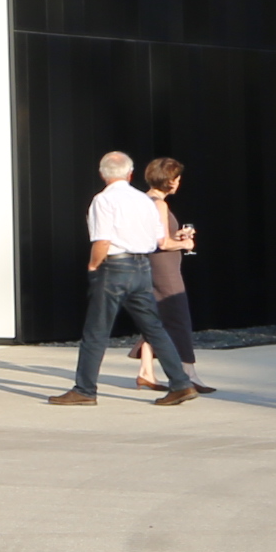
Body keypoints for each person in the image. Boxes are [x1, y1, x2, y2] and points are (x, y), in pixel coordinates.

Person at [54, 151, 199, 408]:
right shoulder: (144, 201)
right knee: (154, 328)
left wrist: (93, 265)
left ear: (102, 174)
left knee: (96, 331)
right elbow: (158, 239)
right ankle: (180, 383)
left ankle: (85, 389)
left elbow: (102, 239)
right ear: (130, 174)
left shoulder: (103, 200)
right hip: (142, 267)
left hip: (114, 267)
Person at [133, 156, 214, 394]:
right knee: (177, 314)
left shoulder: (142, 201)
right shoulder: (158, 204)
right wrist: (184, 244)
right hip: (163, 266)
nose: (178, 182)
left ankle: (146, 372)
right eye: (176, 178)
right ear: (170, 180)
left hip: (151, 263)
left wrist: (176, 237)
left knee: (155, 316)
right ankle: (188, 372)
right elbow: (162, 243)